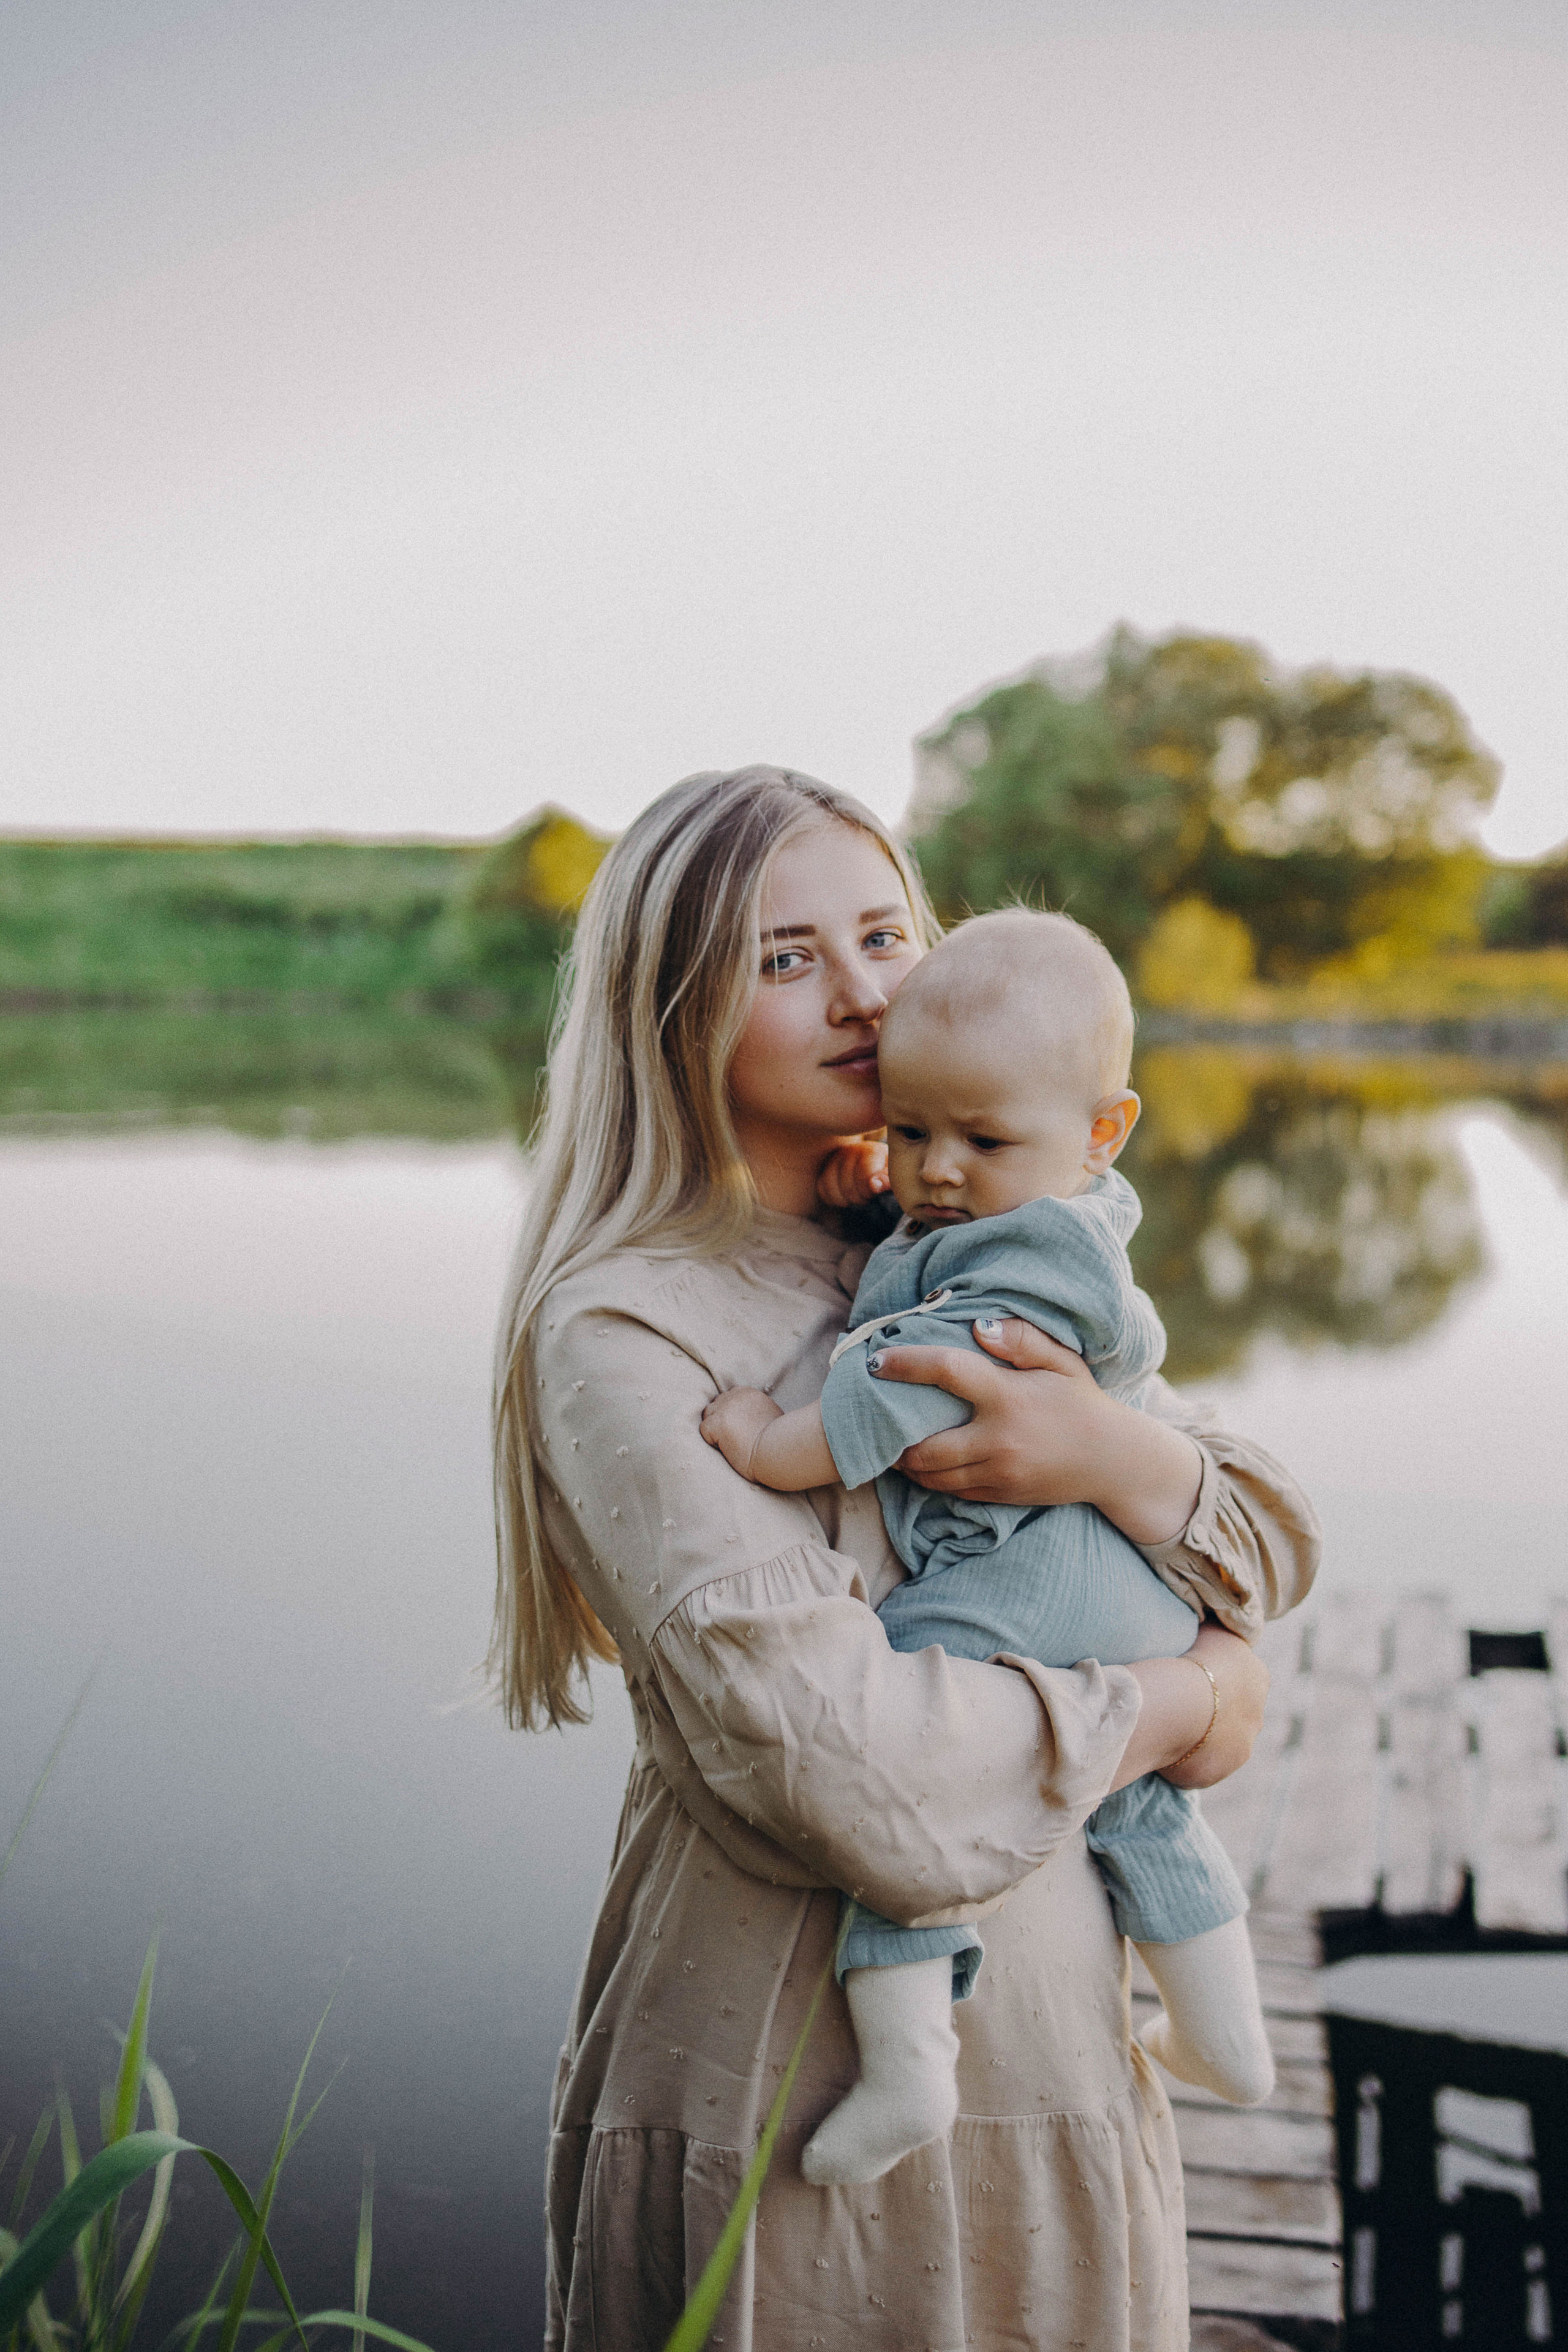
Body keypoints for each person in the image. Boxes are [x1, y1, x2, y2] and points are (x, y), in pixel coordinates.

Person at [489, 766, 1319, 2352]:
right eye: (786, 957)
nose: (867, 992)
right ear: (672, 1009)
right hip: (795, 2079)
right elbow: (861, 1773)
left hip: (1063, 2052)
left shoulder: (958, 1220)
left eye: (883, 932)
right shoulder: (627, 1329)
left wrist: (1114, 1456)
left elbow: (1270, 1538)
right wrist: (1182, 1707)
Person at [701, 907, 1279, 2192]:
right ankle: (1223, 2031)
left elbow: (897, 1390)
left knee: (922, 1745)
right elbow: (929, 1250)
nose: (937, 1170)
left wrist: (762, 1445)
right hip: (1119, 1590)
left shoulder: (1032, 1255)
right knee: (1137, 1804)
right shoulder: (1050, 1213)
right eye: (909, 1133)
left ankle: (908, 2062)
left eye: (980, 1141)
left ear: (1101, 1131)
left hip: (1024, 1576)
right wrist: (882, 1214)